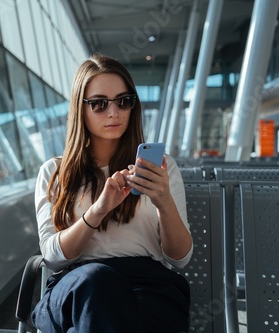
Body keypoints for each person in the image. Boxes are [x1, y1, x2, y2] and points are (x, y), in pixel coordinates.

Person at [31, 53, 193, 333]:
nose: (114, 113)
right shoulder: (55, 173)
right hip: (76, 287)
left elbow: (180, 258)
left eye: (123, 101)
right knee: (97, 283)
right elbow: (53, 257)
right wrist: (98, 210)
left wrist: (163, 202)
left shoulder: (161, 168)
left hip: (147, 286)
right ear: (80, 109)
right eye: (99, 104)